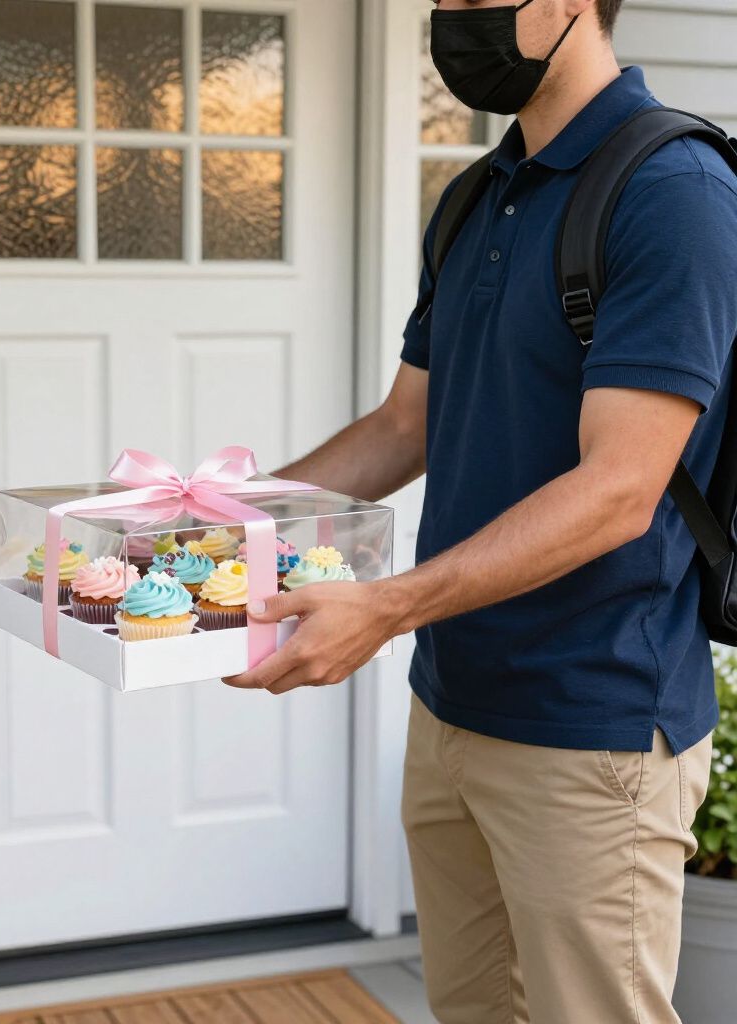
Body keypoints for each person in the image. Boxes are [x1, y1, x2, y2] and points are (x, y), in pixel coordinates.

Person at [221, 1, 737, 1021]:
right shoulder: (473, 197)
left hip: (590, 729)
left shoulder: (672, 193)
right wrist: (225, 518)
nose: (451, 17)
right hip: (451, 705)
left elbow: (618, 491)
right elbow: (402, 427)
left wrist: (384, 606)